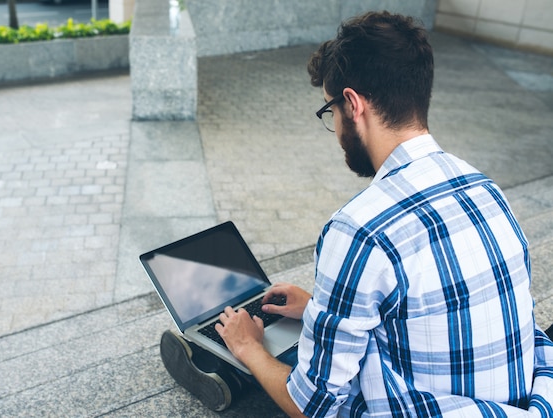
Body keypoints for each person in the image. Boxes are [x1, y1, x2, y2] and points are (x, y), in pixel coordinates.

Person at [160, 11, 553, 416]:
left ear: (352, 104)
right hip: (519, 403)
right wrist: (318, 309)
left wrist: (249, 348)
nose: (336, 128)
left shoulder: (360, 230)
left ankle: (230, 369)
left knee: (279, 378)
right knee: (319, 346)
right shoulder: (483, 188)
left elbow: (313, 407)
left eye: (330, 111)